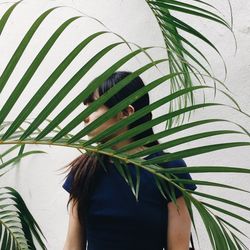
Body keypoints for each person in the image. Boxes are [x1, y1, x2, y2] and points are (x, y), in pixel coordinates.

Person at [62, 71, 197, 250]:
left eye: (94, 107)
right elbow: (72, 246)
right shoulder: (83, 170)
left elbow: (178, 247)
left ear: (126, 112)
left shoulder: (169, 169)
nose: (85, 117)